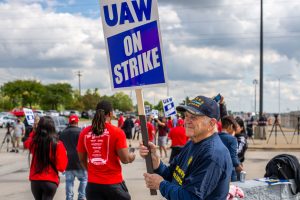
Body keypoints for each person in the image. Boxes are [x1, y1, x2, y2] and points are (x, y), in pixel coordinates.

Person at [140, 95, 232, 200]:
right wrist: (156, 161)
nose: (187, 121)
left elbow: (192, 197)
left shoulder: (213, 154)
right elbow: (173, 175)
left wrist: (161, 185)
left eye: (193, 117)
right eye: (186, 116)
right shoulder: (192, 143)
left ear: (211, 123)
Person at [77, 100, 135, 200]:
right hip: (113, 185)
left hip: (93, 186)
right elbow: (125, 159)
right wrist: (132, 155)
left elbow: (81, 159)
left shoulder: (84, 132)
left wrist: (91, 171)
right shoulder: (117, 132)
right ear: (111, 114)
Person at [25, 116, 68, 200]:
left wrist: (34, 132)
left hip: (35, 180)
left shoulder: (33, 142)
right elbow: (61, 167)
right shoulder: (58, 144)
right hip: (50, 180)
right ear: (52, 127)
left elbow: (26, 143)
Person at [59, 115, 87, 200]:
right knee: (84, 179)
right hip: (80, 161)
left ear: (69, 122)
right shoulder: (81, 132)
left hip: (68, 161)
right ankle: (81, 196)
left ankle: (69, 198)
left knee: (69, 181)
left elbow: (60, 147)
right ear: (77, 122)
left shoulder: (63, 133)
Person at [219, 116, 243, 182]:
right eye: (234, 129)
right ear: (231, 126)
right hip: (229, 173)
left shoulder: (215, 136)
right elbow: (233, 158)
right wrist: (241, 168)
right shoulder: (232, 139)